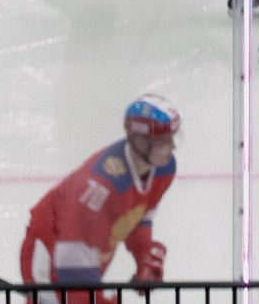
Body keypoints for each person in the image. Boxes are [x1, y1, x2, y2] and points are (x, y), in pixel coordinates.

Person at [19, 93, 179, 290]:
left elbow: (139, 216)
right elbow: (72, 265)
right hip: (52, 252)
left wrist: (143, 253)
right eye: (162, 141)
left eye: (172, 138)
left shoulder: (163, 169)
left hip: (87, 254)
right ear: (140, 139)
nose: (172, 147)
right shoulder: (102, 185)